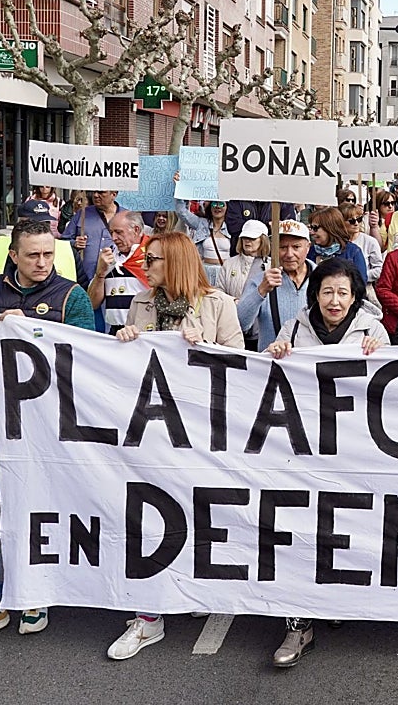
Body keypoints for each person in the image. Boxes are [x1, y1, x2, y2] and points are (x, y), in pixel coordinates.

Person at [0, 219, 94, 645]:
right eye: (33, 255)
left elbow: (84, 358)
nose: (42, 262)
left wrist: (31, 327)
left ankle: (34, 593)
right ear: (13, 256)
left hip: (40, 431)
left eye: (49, 254)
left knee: (32, 514)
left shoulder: (71, 297)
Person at [106, 231, 244, 660]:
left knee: (201, 514)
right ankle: (148, 618)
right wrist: (125, 343)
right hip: (154, 434)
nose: (145, 268)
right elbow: (128, 371)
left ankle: (195, 588)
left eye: (154, 260)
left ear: (178, 262)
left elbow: (242, 369)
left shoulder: (218, 304)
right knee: (149, 517)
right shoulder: (142, 303)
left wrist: (207, 348)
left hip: (203, 434)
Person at [237, 220, 316, 351]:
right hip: (272, 364)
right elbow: (241, 323)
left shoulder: (322, 278)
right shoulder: (260, 281)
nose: (289, 254)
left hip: (310, 364)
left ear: (308, 247)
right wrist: (261, 291)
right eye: (283, 247)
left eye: (296, 247)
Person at [86, 210, 150, 335]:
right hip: (115, 332)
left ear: (136, 230)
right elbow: (92, 303)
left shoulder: (154, 254)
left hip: (144, 332)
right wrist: (100, 273)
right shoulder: (108, 256)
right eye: (111, 232)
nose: (113, 238)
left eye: (119, 232)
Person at [60, 189, 122, 286]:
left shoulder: (125, 217)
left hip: (116, 280)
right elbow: (62, 243)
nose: (96, 195)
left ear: (113, 194)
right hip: (85, 279)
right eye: (94, 192)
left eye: (101, 192)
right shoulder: (82, 214)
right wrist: (74, 244)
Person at [173, 195, 232, 285]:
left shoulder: (233, 227)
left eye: (221, 204)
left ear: (227, 207)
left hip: (225, 273)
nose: (217, 207)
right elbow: (182, 212)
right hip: (204, 272)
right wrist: (181, 190)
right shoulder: (201, 223)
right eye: (214, 204)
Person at [307, 206, 368, 282]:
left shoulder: (353, 252)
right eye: (311, 228)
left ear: (330, 228)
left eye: (315, 228)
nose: (312, 232)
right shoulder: (310, 252)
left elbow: (360, 284)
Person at [340, 203, 382, 287]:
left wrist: (361, 275)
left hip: (365, 287)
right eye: (351, 221)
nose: (356, 223)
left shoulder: (370, 241)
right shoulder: (337, 243)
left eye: (359, 219)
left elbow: (379, 269)